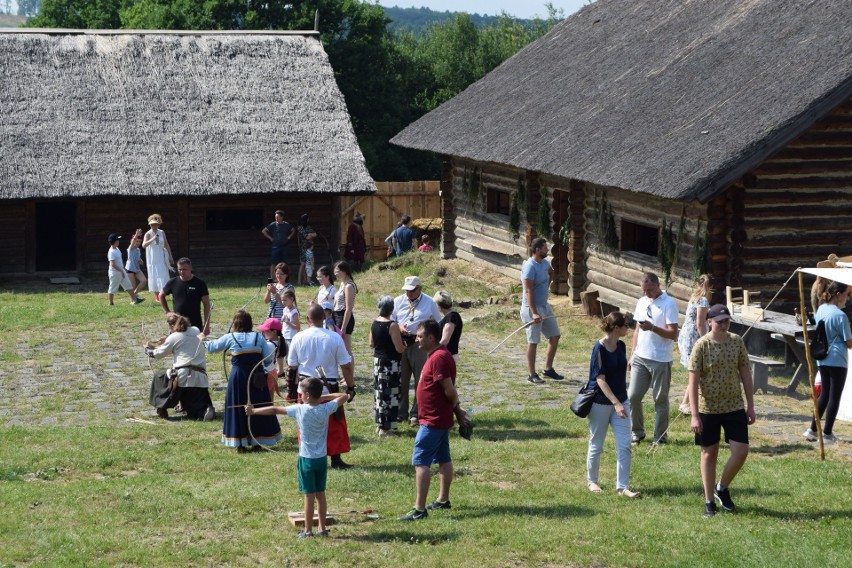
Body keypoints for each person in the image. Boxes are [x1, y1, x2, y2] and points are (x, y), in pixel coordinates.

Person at [247, 379, 348, 538]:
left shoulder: (300, 409)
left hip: (307, 459)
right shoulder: (326, 408)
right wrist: (323, 398)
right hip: (321, 459)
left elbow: (274, 409)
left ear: (307, 395)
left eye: (302, 393)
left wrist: (253, 412)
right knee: (320, 494)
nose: (300, 395)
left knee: (309, 496)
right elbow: (344, 396)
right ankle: (322, 529)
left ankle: (308, 531)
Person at [398, 320, 471, 521]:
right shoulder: (437, 355)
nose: (417, 339)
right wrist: (456, 412)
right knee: (444, 459)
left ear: (431, 337)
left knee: (421, 462)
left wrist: (457, 409)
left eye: (420, 336)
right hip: (438, 418)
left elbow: (449, 390)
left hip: (433, 420)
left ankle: (419, 509)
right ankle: (442, 500)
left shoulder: (439, 358)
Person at [688, 304, 755, 517]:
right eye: (720, 321)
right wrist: (695, 415)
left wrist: (751, 405)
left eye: (727, 321)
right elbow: (693, 382)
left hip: (734, 405)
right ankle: (709, 501)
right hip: (708, 408)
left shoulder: (736, 342)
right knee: (710, 453)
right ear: (710, 322)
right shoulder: (701, 345)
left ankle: (722, 487)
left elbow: (745, 374)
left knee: (741, 451)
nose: (724, 325)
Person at [287, 304, 356, 469]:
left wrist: (290, 391)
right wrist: (350, 387)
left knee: (307, 424)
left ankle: (310, 458)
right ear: (324, 318)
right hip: (327, 391)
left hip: (306, 391)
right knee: (332, 424)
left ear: (307, 319)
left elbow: (291, 367)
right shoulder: (334, 337)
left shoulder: (298, 337)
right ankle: (335, 459)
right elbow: (346, 366)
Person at [205, 310, 283, 452]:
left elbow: (212, 347)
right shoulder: (258, 338)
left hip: (238, 378)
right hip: (257, 377)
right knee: (259, 406)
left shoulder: (231, 337)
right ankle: (258, 441)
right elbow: (268, 359)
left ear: (235, 323)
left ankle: (240, 443)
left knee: (239, 406)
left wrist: (201, 338)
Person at [586, 312, 639, 498]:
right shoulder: (598, 348)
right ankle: (592, 481)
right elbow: (600, 379)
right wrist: (616, 403)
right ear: (617, 328)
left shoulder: (622, 345)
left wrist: (620, 402)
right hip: (601, 402)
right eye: (626, 325)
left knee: (624, 445)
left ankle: (622, 487)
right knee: (597, 443)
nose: (629, 328)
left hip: (621, 401)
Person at [628, 272, 679, 446]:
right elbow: (636, 330)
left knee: (660, 399)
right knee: (633, 396)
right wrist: (632, 354)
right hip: (640, 357)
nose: (646, 293)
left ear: (658, 285)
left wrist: (653, 328)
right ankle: (637, 432)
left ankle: (660, 438)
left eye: (649, 290)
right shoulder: (641, 302)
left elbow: (673, 334)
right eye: (644, 290)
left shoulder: (669, 303)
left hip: (660, 359)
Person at [803, 280, 852, 444]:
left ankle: (812, 429)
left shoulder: (821, 309)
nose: (847, 298)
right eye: (846, 295)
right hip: (838, 359)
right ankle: (828, 433)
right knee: (834, 397)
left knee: (824, 394)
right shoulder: (841, 316)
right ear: (838, 294)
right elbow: (849, 343)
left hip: (823, 357)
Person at [392, 275, 442, 427]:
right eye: (407, 291)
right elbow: (392, 320)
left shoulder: (429, 302)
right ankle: (401, 413)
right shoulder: (398, 301)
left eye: (412, 291)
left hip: (420, 344)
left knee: (421, 379)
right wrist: (399, 327)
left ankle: (417, 413)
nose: (409, 294)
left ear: (420, 289)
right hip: (401, 342)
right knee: (401, 379)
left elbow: (438, 322)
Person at [145, 313, 214, 421]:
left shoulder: (174, 337)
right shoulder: (195, 330)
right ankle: (205, 410)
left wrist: (148, 349)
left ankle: (162, 408)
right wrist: (167, 340)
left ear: (172, 326)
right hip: (200, 378)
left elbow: (158, 354)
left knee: (159, 376)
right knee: (194, 410)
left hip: (181, 378)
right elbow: (183, 344)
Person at [521, 238, 564, 384]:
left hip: (545, 306)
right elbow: (528, 291)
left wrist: (547, 285)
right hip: (531, 308)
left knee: (555, 335)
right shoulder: (529, 266)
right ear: (537, 250)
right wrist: (534, 312)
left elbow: (551, 273)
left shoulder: (544, 263)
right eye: (545, 248)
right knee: (533, 341)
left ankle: (548, 369)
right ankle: (532, 374)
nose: (547, 250)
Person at [677, 274, 712, 414]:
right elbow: (700, 323)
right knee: (697, 371)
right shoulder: (703, 300)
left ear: (698, 285)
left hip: (686, 335)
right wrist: (706, 341)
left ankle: (687, 402)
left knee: (696, 371)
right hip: (693, 338)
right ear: (711, 287)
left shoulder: (694, 297)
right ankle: (686, 403)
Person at [370, 295, 405, 436]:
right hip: (390, 364)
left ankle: (380, 424)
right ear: (391, 309)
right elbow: (399, 348)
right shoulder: (393, 325)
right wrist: (405, 344)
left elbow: (371, 343)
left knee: (379, 393)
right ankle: (386, 428)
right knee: (390, 395)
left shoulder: (374, 323)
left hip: (378, 361)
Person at [160, 258, 211, 336]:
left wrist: (206, 325)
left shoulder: (200, 283)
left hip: (195, 322)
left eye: (184, 269)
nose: (181, 272)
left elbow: (206, 304)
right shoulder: (173, 282)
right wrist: (167, 312)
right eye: (179, 269)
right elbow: (161, 295)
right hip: (177, 322)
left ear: (191, 268)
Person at [142, 213, 174, 302]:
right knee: (154, 275)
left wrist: (170, 256)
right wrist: (152, 239)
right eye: (151, 224)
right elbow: (144, 245)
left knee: (163, 274)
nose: (153, 226)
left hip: (161, 256)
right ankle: (157, 295)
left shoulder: (162, 232)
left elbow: (166, 244)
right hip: (152, 258)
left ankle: (163, 293)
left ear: (158, 224)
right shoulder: (148, 233)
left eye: (155, 224)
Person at [332, 261, 357, 358]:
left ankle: (350, 372)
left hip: (344, 318)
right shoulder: (343, 284)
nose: (335, 274)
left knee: (346, 350)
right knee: (340, 349)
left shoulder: (349, 286)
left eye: (338, 271)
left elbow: (348, 308)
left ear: (345, 271)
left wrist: (343, 327)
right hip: (337, 316)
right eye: (335, 271)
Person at [107, 234, 140, 305]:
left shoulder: (117, 249)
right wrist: (121, 270)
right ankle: (111, 303)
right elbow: (112, 264)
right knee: (113, 287)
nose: (119, 241)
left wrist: (122, 270)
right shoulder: (111, 252)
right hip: (115, 273)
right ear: (115, 241)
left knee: (128, 285)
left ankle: (135, 300)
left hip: (121, 271)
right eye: (118, 240)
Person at [261, 209, 295, 280]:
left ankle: (285, 278)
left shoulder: (286, 224)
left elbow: (293, 230)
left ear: (281, 217)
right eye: (275, 216)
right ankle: (272, 279)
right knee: (273, 263)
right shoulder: (273, 224)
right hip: (275, 247)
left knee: (284, 264)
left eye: (278, 217)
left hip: (284, 246)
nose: (276, 218)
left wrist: (289, 237)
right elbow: (264, 231)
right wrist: (270, 238)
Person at [434, 291, 463, 363]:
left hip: (447, 355)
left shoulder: (451, 317)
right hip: (446, 354)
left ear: (439, 305)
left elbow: (445, 340)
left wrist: (433, 352)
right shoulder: (450, 316)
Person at [125, 228, 147, 297]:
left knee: (144, 281)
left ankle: (134, 295)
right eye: (136, 241)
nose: (138, 243)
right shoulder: (130, 248)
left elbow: (138, 259)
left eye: (139, 242)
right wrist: (136, 235)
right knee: (133, 286)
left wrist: (141, 261)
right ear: (132, 241)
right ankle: (134, 298)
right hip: (130, 269)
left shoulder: (138, 250)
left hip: (137, 269)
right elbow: (133, 241)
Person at [297, 214, 317, 285]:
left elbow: (315, 234)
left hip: (308, 247)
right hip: (303, 247)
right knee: (302, 264)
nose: (308, 220)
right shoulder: (300, 227)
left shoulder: (308, 227)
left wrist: (311, 235)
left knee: (305, 264)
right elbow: (306, 237)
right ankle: (299, 281)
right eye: (307, 219)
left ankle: (305, 281)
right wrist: (311, 235)